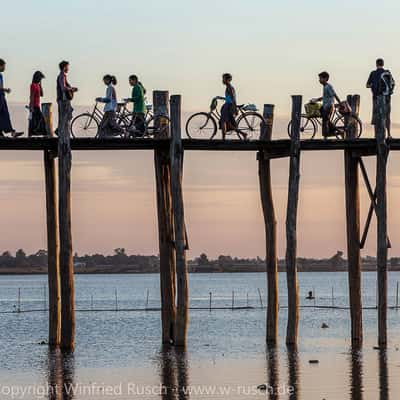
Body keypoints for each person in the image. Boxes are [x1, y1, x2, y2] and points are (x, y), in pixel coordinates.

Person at [366, 58, 395, 137]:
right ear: (383, 64)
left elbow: (367, 85)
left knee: (377, 116)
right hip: (387, 98)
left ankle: (376, 135)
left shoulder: (373, 73)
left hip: (376, 98)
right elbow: (392, 83)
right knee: (387, 116)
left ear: (376, 64)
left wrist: (373, 85)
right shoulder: (387, 73)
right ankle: (389, 134)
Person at [314, 71, 341, 138]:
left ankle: (335, 131)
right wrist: (318, 99)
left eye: (320, 78)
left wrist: (340, 103)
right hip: (325, 106)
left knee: (325, 120)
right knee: (325, 120)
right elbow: (325, 96)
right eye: (319, 79)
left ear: (325, 78)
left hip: (329, 106)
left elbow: (334, 94)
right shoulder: (325, 87)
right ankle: (330, 133)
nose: (319, 80)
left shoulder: (328, 86)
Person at [0, 59, 23, 137]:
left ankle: (11, 131)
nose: (4, 68)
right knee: (3, 114)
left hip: (2, 96)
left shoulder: (0, 75)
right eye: (3, 66)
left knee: (5, 114)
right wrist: (5, 89)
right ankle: (10, 132)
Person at [56, 60, 78, 135]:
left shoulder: (62, 75)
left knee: (68, 113)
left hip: (63, 99)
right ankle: (60, 131)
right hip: (63, 99)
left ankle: (61, 130)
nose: (68, 68)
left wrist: (71, 89)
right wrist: (71, 89)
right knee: (65, 115)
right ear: (64, 67)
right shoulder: (62, 75)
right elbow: (63, 88)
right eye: (68, 67)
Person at [218, 73, 242, 140]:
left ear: (228, 79)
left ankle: (223, 138)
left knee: (223, 121)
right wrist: (221, 97)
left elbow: (233, 98)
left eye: (224, 78)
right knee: (227, 123)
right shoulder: (228, 87)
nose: (223, 80)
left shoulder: (229, 87)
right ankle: (243, 134)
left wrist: (235, 108)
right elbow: (229, 98)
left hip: (228, 106)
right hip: (227, 105)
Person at [28, 71, 46, 136]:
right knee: (40, 119)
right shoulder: (33, 85)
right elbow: (32, 96)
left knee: (35, 120)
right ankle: (44, 134)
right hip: (34, 105)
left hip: (37, 105)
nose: (40, 79)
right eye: (40, 78)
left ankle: (32, 133)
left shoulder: (38, 85)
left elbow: (42, 94)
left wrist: (41, 85)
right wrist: (31, 107)